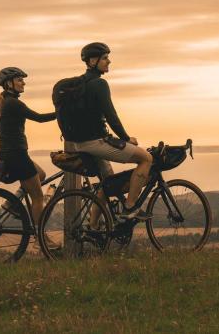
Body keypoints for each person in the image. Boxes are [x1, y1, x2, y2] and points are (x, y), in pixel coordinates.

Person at [65, 42, 153, 228]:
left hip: (79, 143)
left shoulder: (80, 84)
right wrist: (126, 138)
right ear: (92, 60)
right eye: (105, 58)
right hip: (95, 143)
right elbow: (111, 116)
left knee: (108, 183)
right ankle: (130, 208)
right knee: (146, 158)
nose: (109, 61)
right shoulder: (99, 84)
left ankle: (93, 227)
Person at [0, 66, 58, 247]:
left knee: (41, 175)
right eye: (20, 79)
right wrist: (61, 112)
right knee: (38, 197)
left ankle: (11, 204)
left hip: (12, 154)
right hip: (17, 156)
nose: (23, 82)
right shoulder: (13, 103)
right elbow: (39, 118)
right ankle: (40, 239)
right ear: (9, 83)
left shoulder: (4, 101)